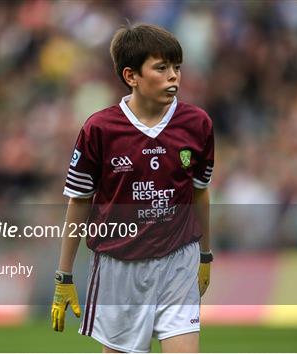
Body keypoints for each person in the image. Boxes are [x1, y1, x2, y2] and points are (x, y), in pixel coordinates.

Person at [51, 23, 214, 353]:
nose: (174, 77)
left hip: (178, 261)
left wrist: (206, 255)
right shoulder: (100, 129)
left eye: (177, 67)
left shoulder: (198, 124)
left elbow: (200, 192)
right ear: (131, 76)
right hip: (120, 267)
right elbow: (79, 201)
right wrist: (64, 275)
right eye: (161, 67)